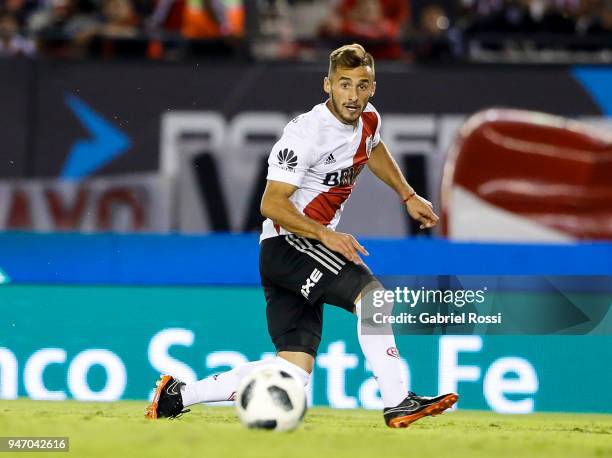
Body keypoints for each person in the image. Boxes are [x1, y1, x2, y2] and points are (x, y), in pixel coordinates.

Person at [145, 43, 458, 428]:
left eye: (362, 86)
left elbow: (373, 149)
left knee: (292, 373)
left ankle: (177, 396)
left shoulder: (369, 120)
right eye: (344, 85)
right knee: (373, 299)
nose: (353, 96)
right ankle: (398, 401)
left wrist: (407, 194)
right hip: (290, 244)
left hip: (291, 253)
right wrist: (325, 235)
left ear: (373, 88)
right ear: (327, 84)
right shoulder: (306, 133)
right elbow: (272, 204)